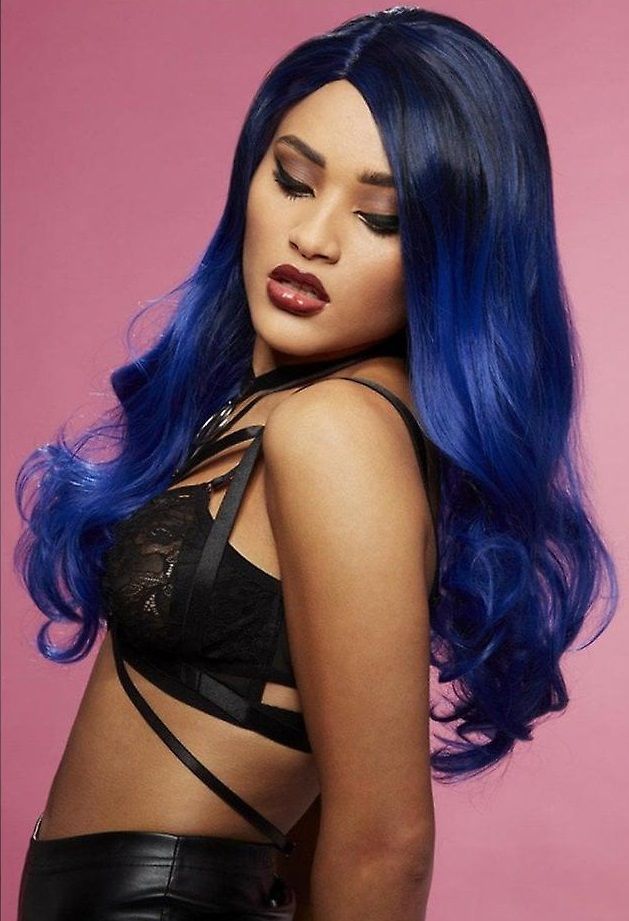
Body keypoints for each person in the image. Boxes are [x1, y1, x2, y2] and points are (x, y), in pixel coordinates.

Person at [14, 6, 617, 921]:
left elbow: (384, 841)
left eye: (380, 217)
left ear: (455, 253)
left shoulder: (335, 429)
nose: (314, 237)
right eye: (294, 181)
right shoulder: (286, 404)